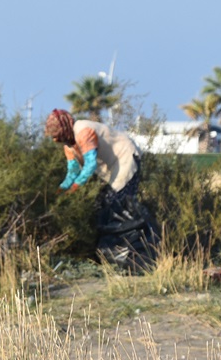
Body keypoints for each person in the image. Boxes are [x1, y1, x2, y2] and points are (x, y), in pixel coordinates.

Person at [44, 109, 157, 270]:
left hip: (125, 158)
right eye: (53, 136)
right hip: (112, 170)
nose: (55, 139)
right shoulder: (68, 145)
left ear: (64, 127)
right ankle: (112, 255)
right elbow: (73, 171)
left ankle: (137, 257)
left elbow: (90, 165)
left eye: (56, 134)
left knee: (118, 205)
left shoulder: (83, 132)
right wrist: (60, 191)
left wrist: (75, 187)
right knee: (103, 206)